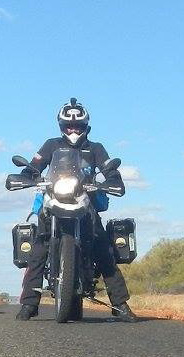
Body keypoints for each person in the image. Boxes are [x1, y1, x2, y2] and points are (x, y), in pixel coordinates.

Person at [15, 98, 138, 322]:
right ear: (62, 126)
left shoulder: (96, 148)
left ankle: (120, 304)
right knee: (39, 249)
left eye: (78, 126)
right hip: (54, 200)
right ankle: (29, 305)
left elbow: (110, 169)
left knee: (104, 249)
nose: (73, 129)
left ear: (85, 126)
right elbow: (35, 166)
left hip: (85, 203)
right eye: (69, 125)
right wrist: (26, 176)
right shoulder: (51, 145)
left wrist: (113, 179)